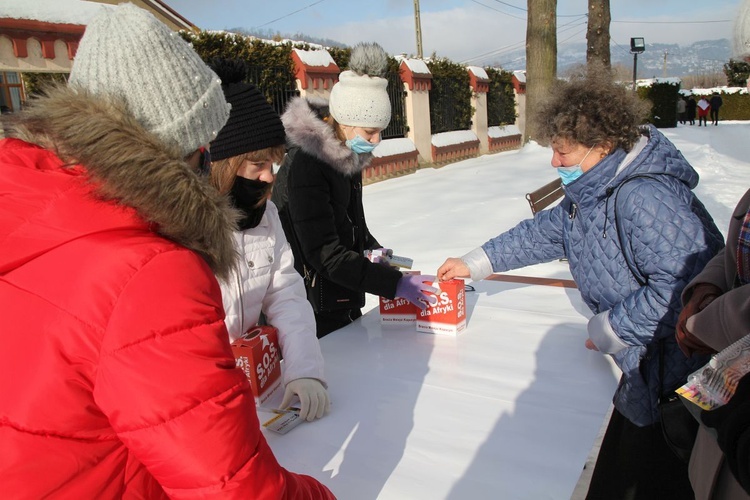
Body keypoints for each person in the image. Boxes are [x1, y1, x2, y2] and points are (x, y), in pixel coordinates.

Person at [0, 4, 333, 498]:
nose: (266, 177)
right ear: (186, 152)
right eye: (204, 146)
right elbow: (230, 484)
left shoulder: (31, 204)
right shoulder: (148, 264)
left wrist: (302, 371)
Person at [437, 65, 725, 499]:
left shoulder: (644, 196)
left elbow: (684, 287)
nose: (555, 163)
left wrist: (611, 328)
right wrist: (475, 262)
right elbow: (547, 231)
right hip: (644, 373)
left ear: (603, 145)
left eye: (563, 153)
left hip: (677, 384)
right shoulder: (594, 189)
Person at [273, 42, 437, 338]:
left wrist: (374, 250)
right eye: (369, 132)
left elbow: (348, 223)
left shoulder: (347, 155)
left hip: (341, 292)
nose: (376, 141)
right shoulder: (308, 166)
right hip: (312, 304)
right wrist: (393, 284)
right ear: (344, 123)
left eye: (380, 131)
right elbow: (324, 254)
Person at [207, 59, 330, 421]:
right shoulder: (183, 228)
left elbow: (287, 296)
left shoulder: (267, 216)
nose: (268, 177)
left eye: (273, 164)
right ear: (222, 161)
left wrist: (305, 370)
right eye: (257, 164)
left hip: (254, 391)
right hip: (203, 401)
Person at [677, 187, 750, 500]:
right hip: (722, 436)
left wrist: (716, 319)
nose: (555, 162)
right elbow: (736, 249)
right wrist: (706, 288)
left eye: (563, 152)